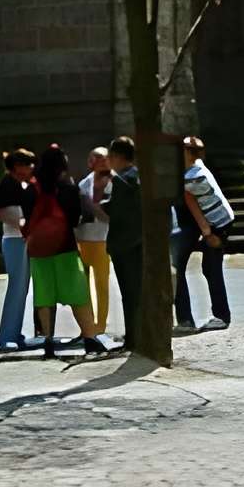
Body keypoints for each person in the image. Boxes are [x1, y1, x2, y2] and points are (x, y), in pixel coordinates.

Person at [24, 143, 104, 358]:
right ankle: (90, 339)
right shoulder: (68, 187)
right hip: (65, 247)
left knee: (44, 295)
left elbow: (27, 216)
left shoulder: (32, 188)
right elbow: (74, 218)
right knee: (78, 293)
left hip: (39, 250)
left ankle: (48, 342)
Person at [172, 135, 234, 332]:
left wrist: (207, 234)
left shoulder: (192, 177)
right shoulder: (198, 166)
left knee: (206, 269)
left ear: (189, 153)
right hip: (223, 220)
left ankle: (217, 317)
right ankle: (217, 315)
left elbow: (194, 207)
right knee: (208, 268)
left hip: (216, 225)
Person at [0, 147, 36, 351]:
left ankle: (15, 333)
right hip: (15, 239)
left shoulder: (22, 184)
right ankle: (6, 336)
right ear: (18, 167)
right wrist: (20, 222)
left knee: (22, 289)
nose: (31, 168)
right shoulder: (8, 183)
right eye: (27, 165)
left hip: (23, 238)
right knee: (16, 287)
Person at [104, 136, 147, 350]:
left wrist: (100, 207)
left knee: (130, 294)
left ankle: (134, 338)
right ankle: (138, 335)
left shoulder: (122, 180)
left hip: (125, 244)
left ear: (118, 157)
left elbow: (119, 212)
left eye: (111, 157)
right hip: (139, 242)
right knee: (136, 292)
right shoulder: (139, 176)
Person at [76, 144, 117, 338]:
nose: (99, 162)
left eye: (103, 158)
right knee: (83, 285)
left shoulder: (115, 182)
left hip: (103, 238)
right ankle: (89, 325)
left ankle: (101, 324)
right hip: (83, 238)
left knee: (102, 283)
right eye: (95, 159)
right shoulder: (84, 183)